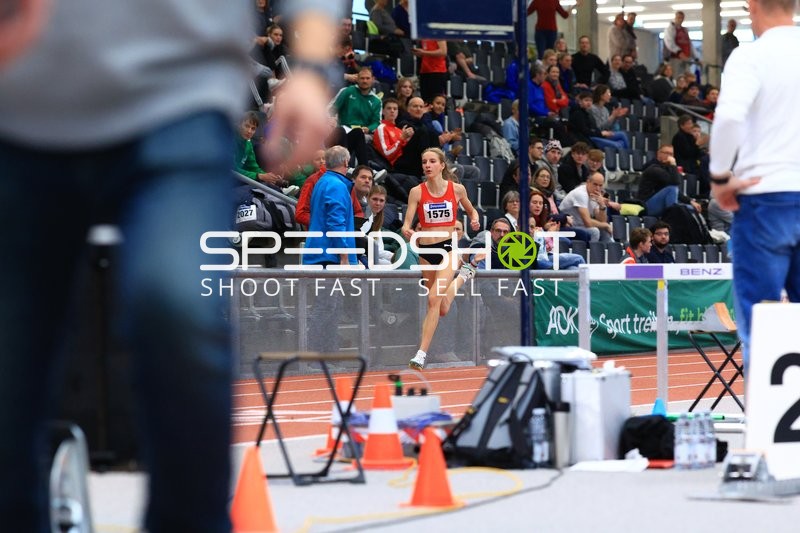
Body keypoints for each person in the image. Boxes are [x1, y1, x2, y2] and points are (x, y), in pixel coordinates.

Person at [0, 1, 342, 531]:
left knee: (177, 303)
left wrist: (313, 66)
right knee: (11, 354)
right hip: (21, 108)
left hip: (178, 95)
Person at [708, 0, 800, 370]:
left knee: (761, 326)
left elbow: (729, 118)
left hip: (766, 198)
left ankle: (770, 425)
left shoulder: (751, 57)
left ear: (755, 6)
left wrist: (719, 177)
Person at [402, 147, 481, 370]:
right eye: (424, 162)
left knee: (432, 300)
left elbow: (472, 211)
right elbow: (407, 222)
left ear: (441, 165)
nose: (427, 165)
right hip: (427, 253)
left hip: (448, 249)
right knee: (442, 307)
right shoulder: (416, 192)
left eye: (432, 161)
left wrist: (474, 220)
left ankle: (421, 353)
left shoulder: (457, 189)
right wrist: (407, 230)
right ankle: (465, 275)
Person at [304, 146, 359, 353]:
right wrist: (344, 257)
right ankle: (315, 353)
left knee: (330, 307)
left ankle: (326, 353)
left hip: (322, 255)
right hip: (329, 257)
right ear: (345, 163)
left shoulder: (323, 182)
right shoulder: (336, 186)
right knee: (326, 307)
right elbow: (335, 223)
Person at [558, 172, 613, 242]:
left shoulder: (595, 195)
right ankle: (591, 252)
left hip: (579, 225)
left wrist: (602, 206)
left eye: (600, 185)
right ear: (588, 182)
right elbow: (588, 222)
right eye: (595, 184)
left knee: (604, 230)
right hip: (565, 226)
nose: (598, 188)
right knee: (594, 231)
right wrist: (606, 225)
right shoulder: (581, 194)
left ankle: (611, 251)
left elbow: (602, 220)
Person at [663, 11, 701, 76]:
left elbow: (690, 45)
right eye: (678, 17)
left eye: (682, 18)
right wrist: (679, 53)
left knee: (687, 77)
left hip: (686, 59)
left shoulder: (684, 30)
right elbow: (670, 43)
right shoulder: (670, 29)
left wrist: (696, 58)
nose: (680, 19)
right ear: (675, 18)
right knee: (677, 77)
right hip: (675, 59)